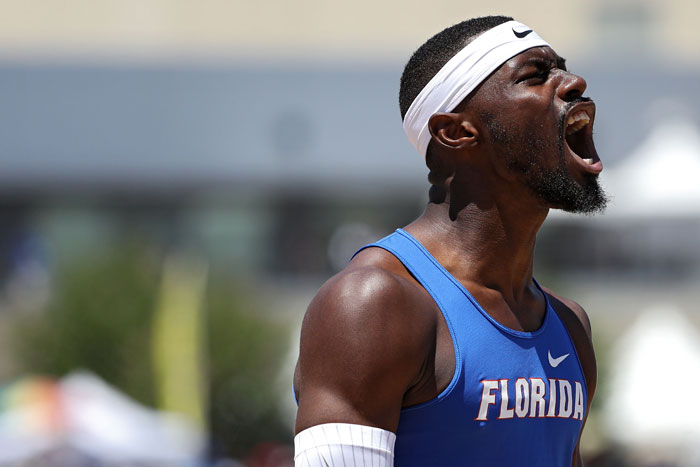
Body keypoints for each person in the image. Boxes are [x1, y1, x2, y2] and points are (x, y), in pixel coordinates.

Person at [293, 15, 607, 467]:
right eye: (536, 76)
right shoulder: (373, 303)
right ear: (457, 133)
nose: (574, 82)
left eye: (563, 68)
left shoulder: (569, 325)